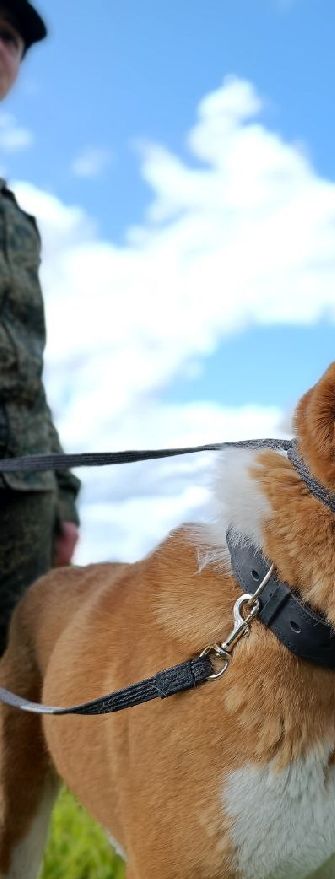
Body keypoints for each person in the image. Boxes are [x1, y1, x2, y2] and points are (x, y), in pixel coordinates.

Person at [0, 0, 80, 654]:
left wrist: (64, 495)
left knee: (14, 699)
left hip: (24, 492)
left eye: (9, 39)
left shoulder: (17, 222)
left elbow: (29, 370)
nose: (0, 49)